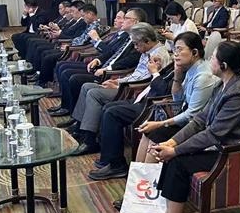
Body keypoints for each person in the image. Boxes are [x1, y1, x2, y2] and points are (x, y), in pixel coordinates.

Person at [141, 42, 240, 213]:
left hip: (234, 152)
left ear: (223, 65)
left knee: (178, 160)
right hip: (221, 146)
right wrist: (172, 142)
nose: (209, 61)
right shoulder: (222, 85)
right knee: (173, 155)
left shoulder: (237, 93)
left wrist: (175, 150)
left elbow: (213, 133)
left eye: (213, 57)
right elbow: (200, 121)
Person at [89, 32, 219, 181]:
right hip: (181, 116)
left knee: (155, 134)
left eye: (179, 49)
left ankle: (143, 184)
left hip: (194, 125)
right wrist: (177, 74)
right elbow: (178, 99)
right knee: (147, 132)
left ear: (195, 52)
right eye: (175, 49)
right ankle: (136, 183)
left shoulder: (203, 76)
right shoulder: (190, 69)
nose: (175, 54)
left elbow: (191, 114)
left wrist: (160, 123)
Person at [66, 23, 170, 151]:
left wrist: (119, 86)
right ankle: (80, 129)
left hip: (133, 91)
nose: (135, 47)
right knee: (86, 86)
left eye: (136, 44)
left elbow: (148, 82)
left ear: (147, 41)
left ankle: (90, 140)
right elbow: (136, 75)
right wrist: (117, 81)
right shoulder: (147, 51)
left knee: (94, 93)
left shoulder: (158, 56)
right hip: (127, 85)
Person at [48, 10, 142, 117]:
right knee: (63, 67)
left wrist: (107, 68)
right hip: (102, 66)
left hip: (110, 73)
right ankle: (66, 106)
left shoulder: (132, 39)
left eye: (124, 18)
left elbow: (127, 60)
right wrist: (98, 60)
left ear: (135, 22)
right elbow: (111, 52)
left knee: (73, 77)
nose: (117, 20)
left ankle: (70, 110)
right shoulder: (123, 36)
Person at [35, 4, 101, 88]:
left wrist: (70, 46)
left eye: (83, 15)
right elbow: (80, 38)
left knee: (50, 58)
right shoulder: (90, 24)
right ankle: (43, 80)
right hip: (73, 46)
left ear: (90, 14)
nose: (83, 18)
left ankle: (44, 82)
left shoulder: (95, 26)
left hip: (76, 50)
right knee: (46, 53)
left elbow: (85, 42)